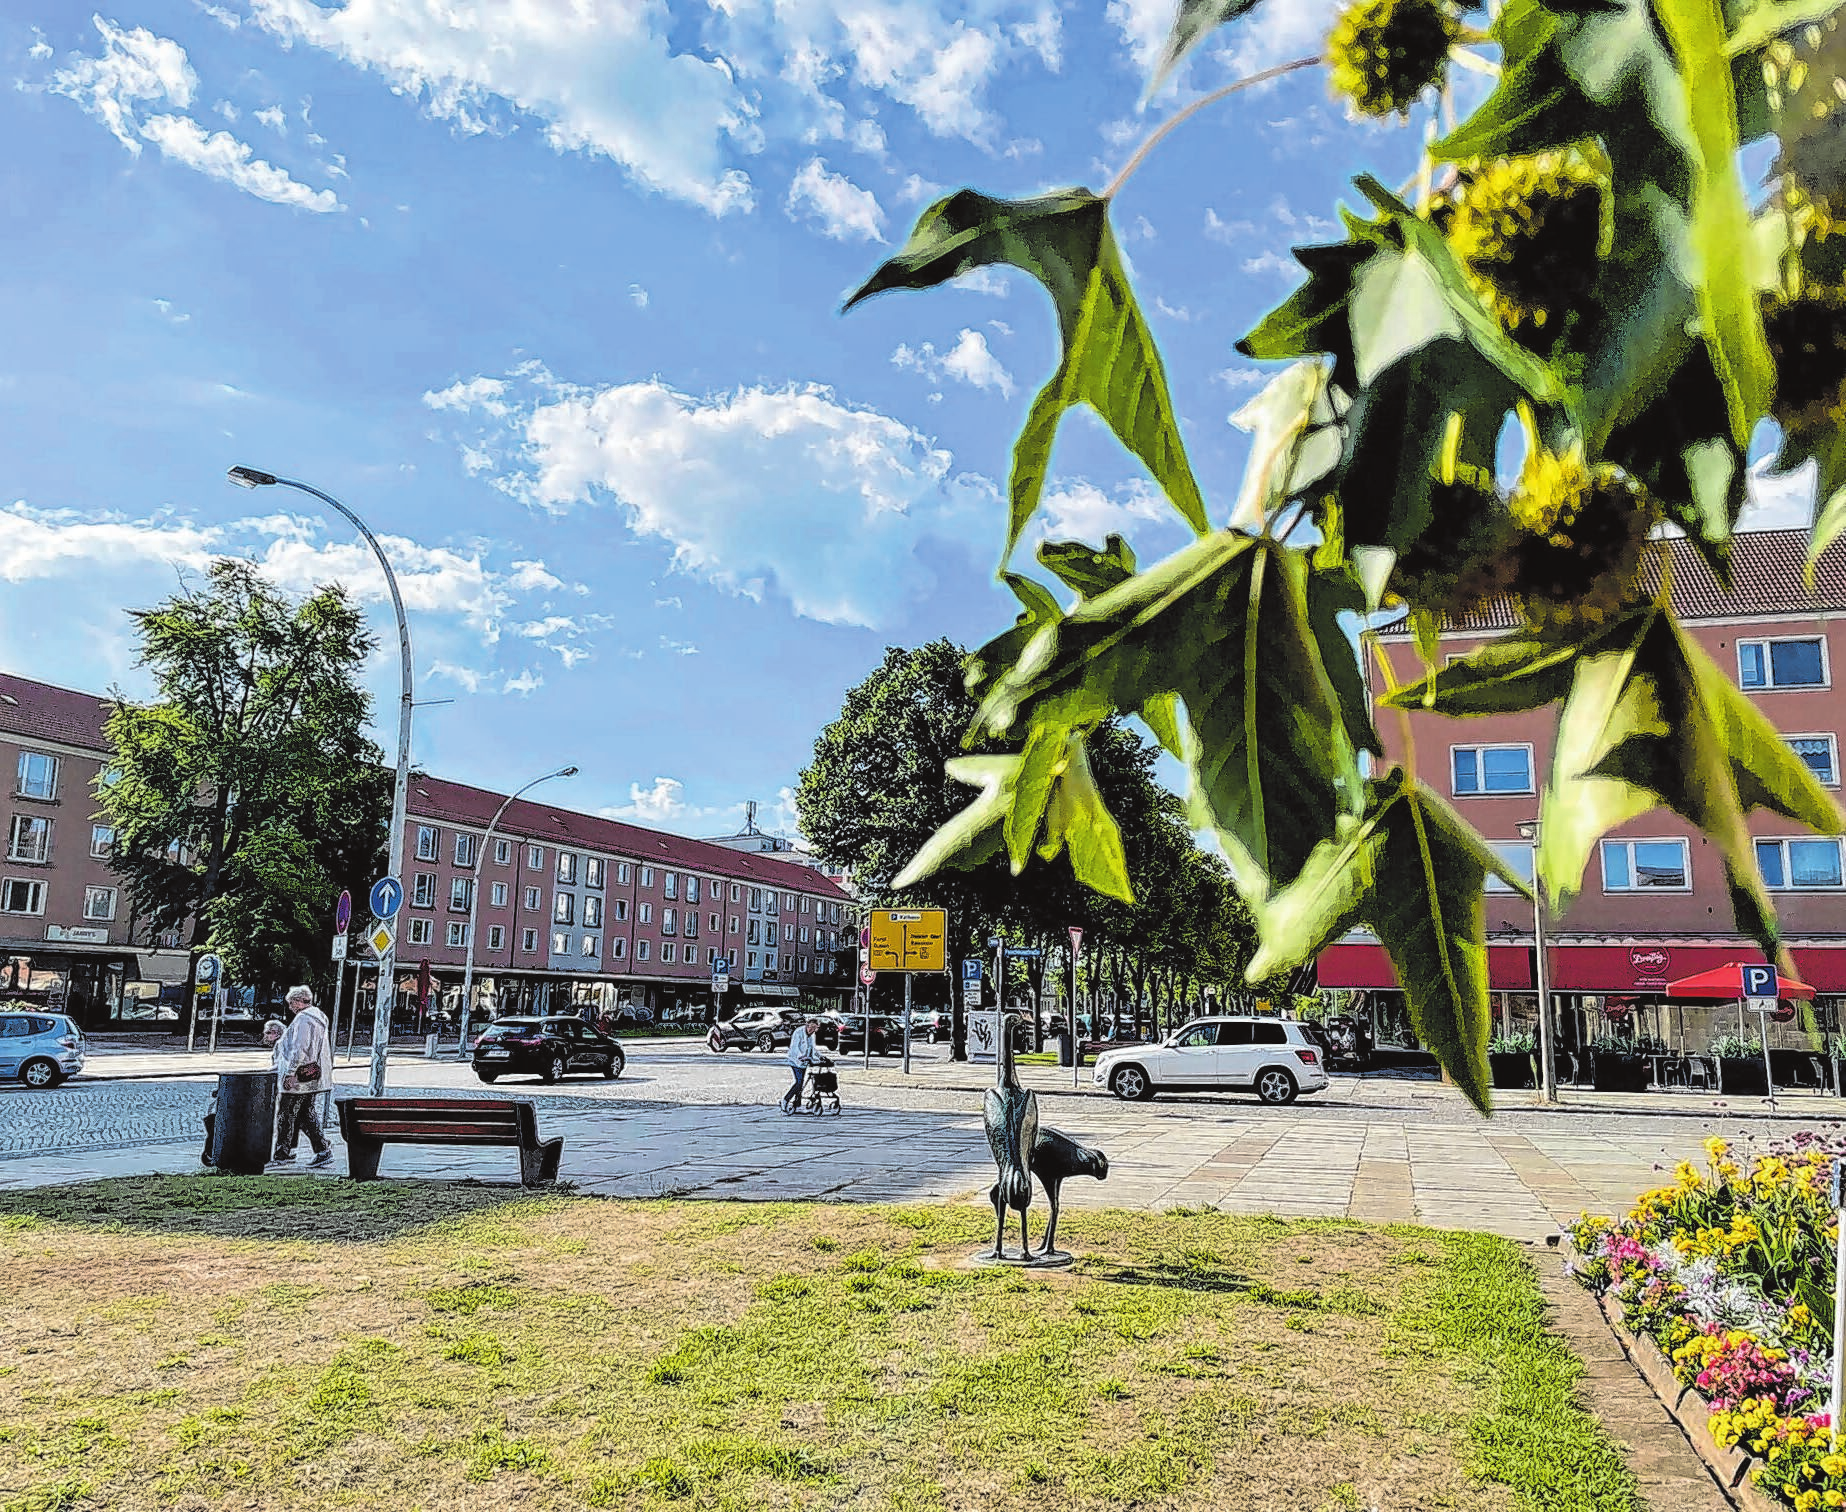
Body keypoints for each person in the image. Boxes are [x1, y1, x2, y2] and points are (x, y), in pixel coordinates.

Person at [270, 985, 333, 1169]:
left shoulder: (304, 1019)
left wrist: (290, 1073)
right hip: (311, 1075)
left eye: (291, 1003)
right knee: (305, 1113)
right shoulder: (318, 1016)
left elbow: (300, 1049)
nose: (290, 1007)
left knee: (286, 1114)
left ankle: (283, 1153)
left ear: (298, 1001)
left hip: (300, 1077)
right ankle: (322, 1150)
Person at [782, 1016, 819, 1114]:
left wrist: (817, 1058)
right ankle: (785, 1100)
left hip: (804, 1062)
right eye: (811, 1027)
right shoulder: (798, 1032)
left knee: (801, 1083)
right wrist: (801, 1056)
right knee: (798, 1082)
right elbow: (794, 1047)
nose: (812, 1030)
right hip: (795, 1060)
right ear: (807, 1026)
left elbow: (812, 1048)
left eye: (815, 1028)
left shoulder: (812, 1035)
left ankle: (797, 1103)